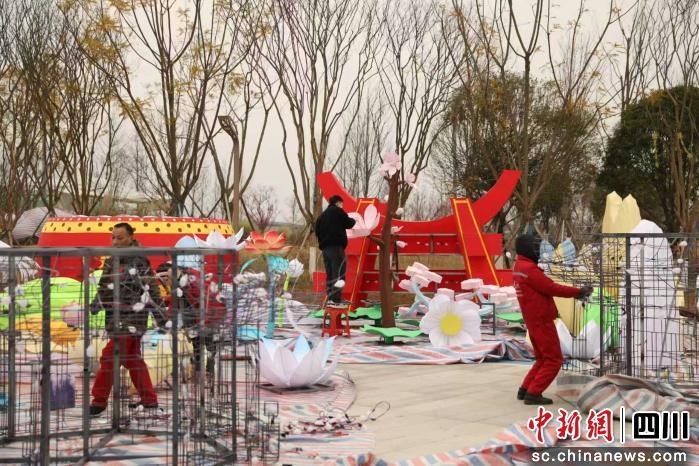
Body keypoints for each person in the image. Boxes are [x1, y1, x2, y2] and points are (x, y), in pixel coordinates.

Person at [89, 223, 168, 416]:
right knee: (132, 360)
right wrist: (96, 303)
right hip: (114, 317)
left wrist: (161, 317)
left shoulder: (139, 261)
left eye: (120, 238)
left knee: (109, 357)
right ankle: (149, 400)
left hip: (133, 319)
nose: (115, 241)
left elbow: (151, 289)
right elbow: (103, 286)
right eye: (113, 237)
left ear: (131, 237)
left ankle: (99, 401)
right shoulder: (111, 260)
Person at [513, 234, 593, 405]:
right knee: (554, 360)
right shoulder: (529, 270)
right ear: (527, 249)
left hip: (532, 319)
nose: (538, 250)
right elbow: (551, 287)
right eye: (535, 247)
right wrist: (578, 292)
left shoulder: (519, 266)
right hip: (541, 320)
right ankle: (533, 393)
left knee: (542, 358)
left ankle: (525, 389)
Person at [155, 262, 225, 377]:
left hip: (209, 313)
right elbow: (175, 302)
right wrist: (168, 320)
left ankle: (208, 369)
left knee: (208, 341)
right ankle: (199, 370)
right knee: (196, 343)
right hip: (194, 316)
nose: (165, 282)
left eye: (165, 279)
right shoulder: (180, 280)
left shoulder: (191, 278)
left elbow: (204, 297)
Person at [314, 195, 356, 304]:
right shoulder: (337, 211)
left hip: (325, 249)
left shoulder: (322, 216)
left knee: (330, 273)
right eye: (342, 204)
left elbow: (316, 231)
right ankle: (336, 299)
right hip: (336, 247)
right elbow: (349, 223)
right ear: (338, 203)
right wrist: (354, 220)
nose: (342, 206)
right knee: (339, 273)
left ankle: (330, 298)